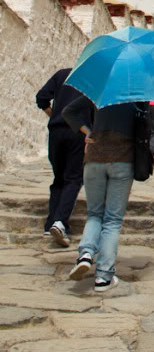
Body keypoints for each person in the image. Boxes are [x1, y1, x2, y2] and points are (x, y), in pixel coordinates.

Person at [62, 95, 144, 290]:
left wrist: (87, 131)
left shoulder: (98, 91)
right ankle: (103, 277)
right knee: (113, 220)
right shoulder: (138, 95)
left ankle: (86, 254)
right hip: (123, 159)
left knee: (94, 214)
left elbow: (68, 112)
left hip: (95, 157)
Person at [35, 68, 85, 247]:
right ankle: (60, 222)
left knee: (59, 178)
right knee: (74, 178)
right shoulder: (92, 79)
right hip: (78, 132)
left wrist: (54, 115)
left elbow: (41, 98)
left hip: (56, 132)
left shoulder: (62, 75)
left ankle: (50, 223)